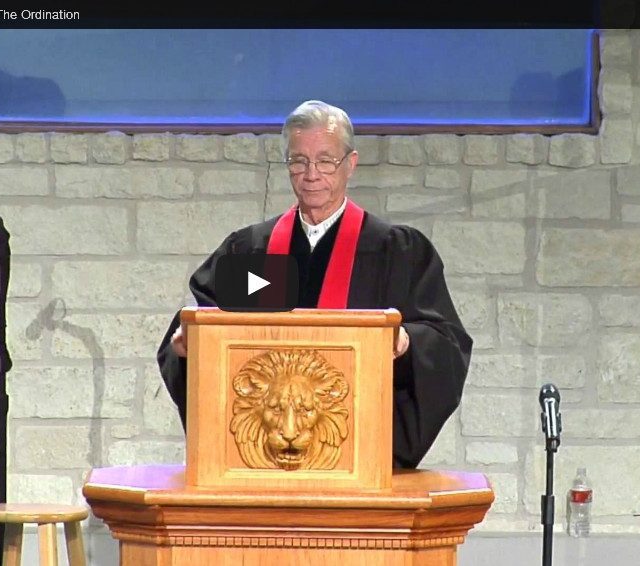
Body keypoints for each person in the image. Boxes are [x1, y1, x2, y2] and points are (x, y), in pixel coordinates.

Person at [156, 100, 472, 469]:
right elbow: (202, 321)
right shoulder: (251, 250)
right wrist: (188, 346)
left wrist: (405, 342)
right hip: (262, 455)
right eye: (298, 161)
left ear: (350, 164)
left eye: (325, 161)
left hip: (358, 450)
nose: (311, 174)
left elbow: (447, 344)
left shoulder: (396, 251)